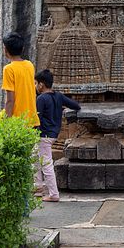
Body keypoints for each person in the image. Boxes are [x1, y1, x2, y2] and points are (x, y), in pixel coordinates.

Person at [34, 69, 80, 202]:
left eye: (36, 83)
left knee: (46, 163)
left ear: (41, 85)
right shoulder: (58, 96)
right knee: (35, 158)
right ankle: (38, 187)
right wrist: (60, 109)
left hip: (43, 134)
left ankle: (53, 193)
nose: (35, 86)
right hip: (53, 133)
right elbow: (76, 105)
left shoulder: (41, 98)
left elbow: (37, 118)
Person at [1, 32, 40, 129]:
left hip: (17, 121)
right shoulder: (29, 65)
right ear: (22, 49)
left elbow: (10, 100)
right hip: (31, 118)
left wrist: (6, 124)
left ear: (5, 50)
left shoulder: (8, 69)